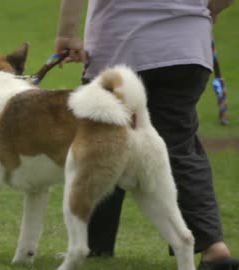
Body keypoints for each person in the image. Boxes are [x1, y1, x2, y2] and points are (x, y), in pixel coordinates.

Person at [54, 0, 238, 269]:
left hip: (120, 45)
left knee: (105, 141)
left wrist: (67, 33)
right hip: (186, 48)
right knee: (178, 148)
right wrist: (209, 9)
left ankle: (93, 244)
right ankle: (211, 246)